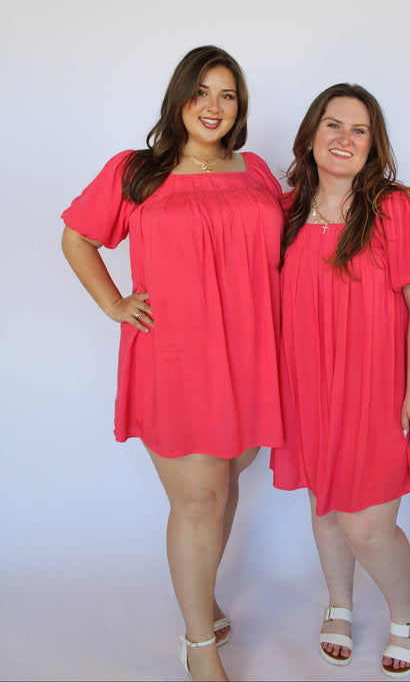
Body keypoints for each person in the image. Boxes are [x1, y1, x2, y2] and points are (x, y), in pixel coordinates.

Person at [61, 46, 284, 682]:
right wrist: (113, 303)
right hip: (178, 356)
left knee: (228, 481)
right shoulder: (137, 171)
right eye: (202, 93)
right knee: (197, 499)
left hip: (249, 354)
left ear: (240, 107)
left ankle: (203, 594)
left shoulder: (257, 169)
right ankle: (197, 645)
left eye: (228, 95)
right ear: (180, 97)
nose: (214, 107)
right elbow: (77, 236)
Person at [270, 83, 410, 678]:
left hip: (377, 393)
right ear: (310, 136)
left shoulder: (398, 209)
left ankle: (407, 610)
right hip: (307, 388)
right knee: (326, 508)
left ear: (374, 144)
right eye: (332, 125)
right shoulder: (285, 213)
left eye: (358, 129)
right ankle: (340, 604)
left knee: (368, 525)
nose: (344, 139)